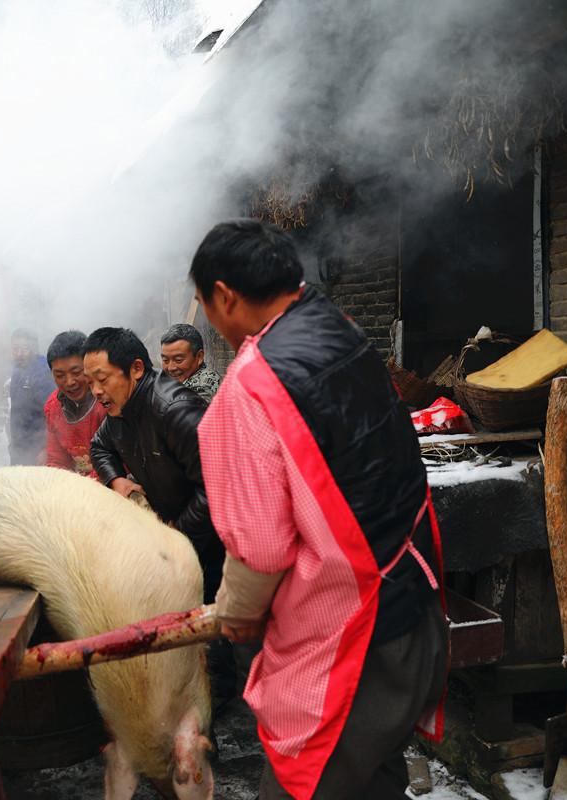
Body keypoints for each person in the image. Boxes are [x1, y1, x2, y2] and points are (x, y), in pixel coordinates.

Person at [191, 219, 446, 800]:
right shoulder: (340, 329)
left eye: (207, 305)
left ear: (225, 296)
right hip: (416, 612)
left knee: (306, 786)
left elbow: (258, 551)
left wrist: (235, 612)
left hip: (347, 645)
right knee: (376, 777)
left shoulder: (250, 386)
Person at [84, 327, 225, 604]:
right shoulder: (120, 408)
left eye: (102, 379)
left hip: (213, 545)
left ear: (136, 369)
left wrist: (175, 537)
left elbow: (215, 489)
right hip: (172, 537)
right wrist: (117, 480)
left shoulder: (176, 409)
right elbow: (99, 447)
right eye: (90, 382)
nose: (96, 392)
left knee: (215, 631)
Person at [42, 330, 106, 478]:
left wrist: (82, 486)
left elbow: (122, 459)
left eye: (76, 372)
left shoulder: (107, 401)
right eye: (59, 376)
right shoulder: (53, 407)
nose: (70, 382)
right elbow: (56, 459)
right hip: (78, 486)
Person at [6, 327, 52, 466]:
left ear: (35, 349)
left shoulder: (42, 372)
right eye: (15, 348)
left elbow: (53, 414)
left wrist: (46, 449)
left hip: (36, 448)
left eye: (24, 348)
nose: (19, 353)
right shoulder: (18, 368)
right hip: (20, 446)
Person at [160, 323, 222, 404]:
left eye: (178, 360)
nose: (171, 368)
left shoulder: (204, 387)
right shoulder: (182, 380)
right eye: (165, 360)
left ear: (199, 357)